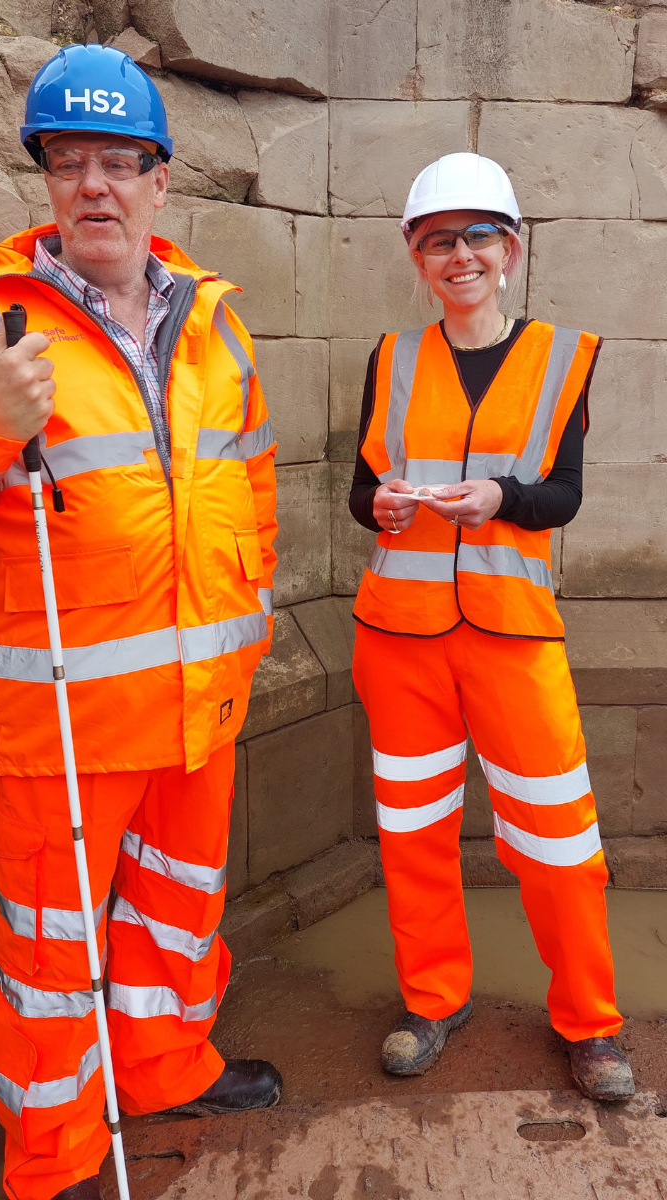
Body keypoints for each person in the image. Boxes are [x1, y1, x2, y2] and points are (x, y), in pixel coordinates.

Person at [0, 44, 280, 1200]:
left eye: (117, 162)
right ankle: (49, 1164)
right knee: (50, 961)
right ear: (45, 180)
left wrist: (240, 642)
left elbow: (250, 486)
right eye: (68, 163)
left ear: (159, 180)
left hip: (200, 707)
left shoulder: (214, 325)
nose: (94, 185)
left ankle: (160, 1072)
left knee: (173, 916)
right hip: (65, 715)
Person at [349, 152, 634, 1102]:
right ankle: (434, 1001)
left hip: (512, 635)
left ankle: (590, 1025)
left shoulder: (563, 357)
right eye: (439, 240)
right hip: (399, 637)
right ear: (416, 255)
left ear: (511, 249)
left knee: (557, 841)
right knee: (414, 831)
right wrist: (383, 508)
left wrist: (501, 497)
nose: (459, 254)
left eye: (478, 236)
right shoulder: (391, 358)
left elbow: (563, 497)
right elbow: (362, 490)